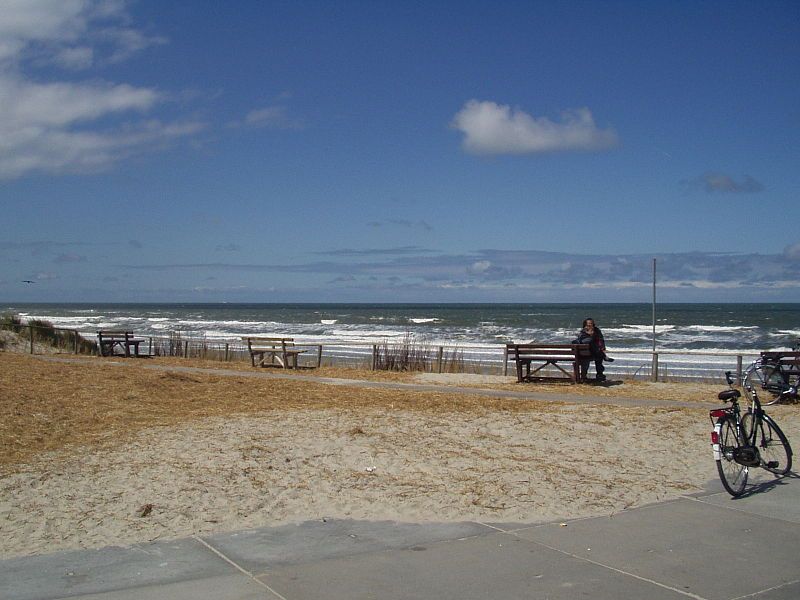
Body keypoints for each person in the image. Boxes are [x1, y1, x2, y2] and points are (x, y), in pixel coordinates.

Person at [574, 318, 612, 382]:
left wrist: (603, 348)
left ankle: (599, 375)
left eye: (591, 323)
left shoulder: (597, 330)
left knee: (599, 357)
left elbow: (601, 340)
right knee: (594, 356)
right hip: (585, 353)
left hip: (593, 352)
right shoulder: (583, 332)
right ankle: (584, 376)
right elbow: (582, 341)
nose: (590, 325)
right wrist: (590, 335)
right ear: (585, 325)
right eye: (588, 324)